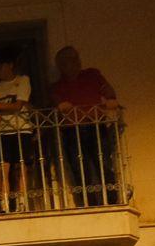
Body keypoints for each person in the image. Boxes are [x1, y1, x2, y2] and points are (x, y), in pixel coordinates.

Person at [50, 45, 120, 206]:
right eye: (69, 60)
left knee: (103, 162)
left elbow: (109, 92)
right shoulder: (57, 86)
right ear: (61, 65)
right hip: (72, 130)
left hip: (95, 126)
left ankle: (112, 198)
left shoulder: (92, 75)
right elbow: (57, 102)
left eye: (76, 58)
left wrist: (111, 100)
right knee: (80, 167)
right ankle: (89, 202)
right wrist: (61, 105)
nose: (75, 62)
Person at [0, 47, 33, 213]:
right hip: (2, 131)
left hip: (21, 129)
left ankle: (22, 201)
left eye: (0, 67)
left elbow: (18, 105)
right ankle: (4, 204)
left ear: (10, 65)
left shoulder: (22, 80)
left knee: (20, 166)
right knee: (2, 168)